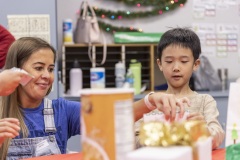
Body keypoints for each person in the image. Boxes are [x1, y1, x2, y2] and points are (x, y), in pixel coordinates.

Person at [0, 37, 189, 159]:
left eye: (50, 69)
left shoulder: (61, 110)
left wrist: (150, 101)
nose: (47, 76)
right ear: (16, 70)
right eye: (39, 68)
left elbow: (111, 118)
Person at [135, 27, 225, 149]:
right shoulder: (153, 103)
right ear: (160, 64)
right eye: (169, 61)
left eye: (183, 61)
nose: (176, 67)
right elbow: (133, 140)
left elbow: (218, 135)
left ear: (195, 64)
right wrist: (159, 135)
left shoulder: (205, 101)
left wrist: (202, 130)